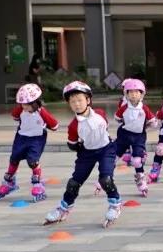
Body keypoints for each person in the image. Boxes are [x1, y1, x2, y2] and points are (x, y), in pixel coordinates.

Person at [43, 81, 123, 228]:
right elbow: (72, 144)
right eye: (72, 102)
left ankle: (115, 204)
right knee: (74, 183)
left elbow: (104, 126)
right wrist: (76, 146)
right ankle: (64, 208)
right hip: (87, 153)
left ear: (88, 100)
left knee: (105, 179)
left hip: (106, 149)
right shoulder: (73, 126)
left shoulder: (100, 113)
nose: (77, 104)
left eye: (80, 100)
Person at [0, 83, 58, 202]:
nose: (24, 107)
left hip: (36, 139)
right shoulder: (21, 109)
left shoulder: (41, 112)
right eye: (22, 104)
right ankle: (9, 183)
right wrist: (21, 107)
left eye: (26, 104)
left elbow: (55, 126)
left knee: (33, 161)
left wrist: (43, 114)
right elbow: (14, 116)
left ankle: (37, 184)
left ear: (35, 102)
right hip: (21, 137)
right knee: (14, 158)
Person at [115, 79, 157, 198]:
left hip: (138, 136)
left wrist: (150, 124)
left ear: (142, 94)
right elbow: (117, 118)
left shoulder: (144, 108)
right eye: (131, 92)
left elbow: (152, 121)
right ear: (126, 94)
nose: (133, 94)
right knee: (113, 157)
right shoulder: (124, 107)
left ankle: (141, 180)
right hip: (124, 134)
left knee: (137, 161)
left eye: (136, 92)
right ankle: (105, 177)